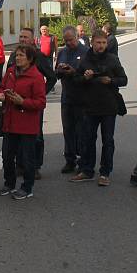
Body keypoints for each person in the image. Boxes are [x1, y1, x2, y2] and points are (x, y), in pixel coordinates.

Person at [70, 30, 127, 186]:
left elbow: (124, 80)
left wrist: (111, 80)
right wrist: (85, 78)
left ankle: (105, 172)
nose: (101, 45)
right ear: (92, 43)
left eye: (103, 43)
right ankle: (87, 170)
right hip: (89, 106)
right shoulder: (85, 60)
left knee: (108, 140)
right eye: (98, 42)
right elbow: (76, 80)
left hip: (109, 106)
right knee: (88, 139)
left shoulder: (113, 59)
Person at [0, 45, 47, 200]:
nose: (18, 58)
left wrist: (23, 101)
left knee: (26, 158)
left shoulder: (36, 77)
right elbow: (1, 87)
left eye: (21, 56)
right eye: (17, 55)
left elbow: (41, 103)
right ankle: (9, 183)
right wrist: (0, 94)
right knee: (7, 156)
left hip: (27, 125)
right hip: (10, 122)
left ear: (30, 59)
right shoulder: (11, 71)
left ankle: (27, 187)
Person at [6, 28, 57, 179]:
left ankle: (35, 167)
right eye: (20, 37)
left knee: (36, 136)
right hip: (15, 103)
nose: (22, 40)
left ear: (32, 39)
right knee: (17, 135)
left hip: (32, 104)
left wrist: (40, 94)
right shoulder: (14, 55)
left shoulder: (38, 56)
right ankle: (20, 165)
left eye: (25, 37)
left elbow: (52, 77)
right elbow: (8, 75)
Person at [55, 25, 89, 173]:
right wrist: (60, 70)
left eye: (71, 40)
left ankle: (83, 160)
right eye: (66, 40)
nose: (69, 43)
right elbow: (56, 72)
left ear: (77, 37)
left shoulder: (87, 52)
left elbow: (89, 76)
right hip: (66, 97)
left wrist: (74, 72)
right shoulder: (62, 52)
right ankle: (70, 160)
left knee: (81, 131)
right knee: (67, 129)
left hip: (82, 98)